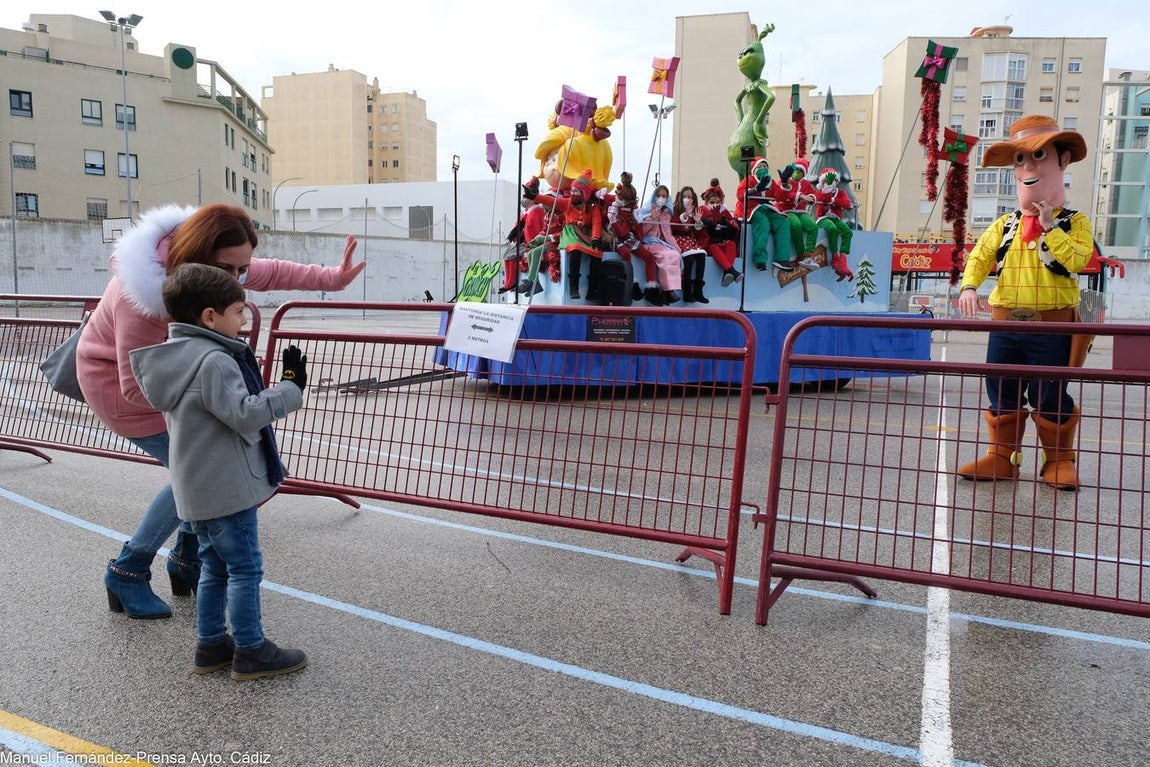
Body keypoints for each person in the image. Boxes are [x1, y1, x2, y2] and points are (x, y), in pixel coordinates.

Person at [78, 203, 365, 619]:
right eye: (227, 270)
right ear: (196, 257)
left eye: (241, 271)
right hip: (124, 389)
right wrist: (209, 406)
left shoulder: (213, 272)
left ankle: (186, 561)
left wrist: (333, 279)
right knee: (195, 476)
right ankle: (128, 569)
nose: (238, 283)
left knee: (207, 471)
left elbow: (274, 271)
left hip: (186, 382)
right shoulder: (139, 296)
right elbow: (135, 385)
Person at [130, 263, 308, 679]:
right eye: (239, 311)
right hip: (228, 488)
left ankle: (211, 645)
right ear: (209, 317)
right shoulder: (214, 361)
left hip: (195, 488)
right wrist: (289, 387)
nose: (244, 320)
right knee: (244, 568)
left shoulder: (175, 359)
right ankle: (251, 649)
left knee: (214, 566)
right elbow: (244, 415)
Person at [956, 114, 1093, 491]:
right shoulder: (1004, 224)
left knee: (1051, 390)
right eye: (1020, 159)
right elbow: (980, 256)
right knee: (1001, 385)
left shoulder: (1075, 222)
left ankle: (1059, 460)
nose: (1028, 167)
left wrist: (1050, 226)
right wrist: (969, 287)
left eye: (1038, 155)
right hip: (1006, 325)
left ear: (1062, 161)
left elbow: (1078, 260)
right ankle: (1002, 456)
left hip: (1053, 325)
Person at [638, 185, 685, 305]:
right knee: (666, 256)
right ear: (654, 196)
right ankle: (668, 291)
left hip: (662, 243)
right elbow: (642, 232)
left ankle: (668, 292)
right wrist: (652, 219)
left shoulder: (667, 214)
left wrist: (678, 249)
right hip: (649, 242)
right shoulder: (647, 210)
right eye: (658, 195)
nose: (661, 198)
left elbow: (668, 234)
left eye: (664, 196)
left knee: (674, 255)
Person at [699, 180, 742, 287]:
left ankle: (727, 273)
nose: (715, 205)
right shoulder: (702, 211)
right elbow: (704, 228)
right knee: (713, 245)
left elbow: (732, 225)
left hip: (723, 241)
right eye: (712, 202)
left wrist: (732, 223)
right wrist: (712, 221)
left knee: (731, 244)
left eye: (718, 202)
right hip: (709, 242)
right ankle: (732, 271)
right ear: (707, 202)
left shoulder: (724, 212)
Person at [670, 185, 709, 304]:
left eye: (690, 197)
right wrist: (685, 215)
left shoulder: (694, 212)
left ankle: (698, 290)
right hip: (677, 240)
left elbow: (697, 231)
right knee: (689, 258)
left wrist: (698, 222)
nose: (687, 198)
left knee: (701, 256)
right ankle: (687, 291)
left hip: (689, 240)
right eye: (685, 196)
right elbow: (673, 225)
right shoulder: (675, 210)